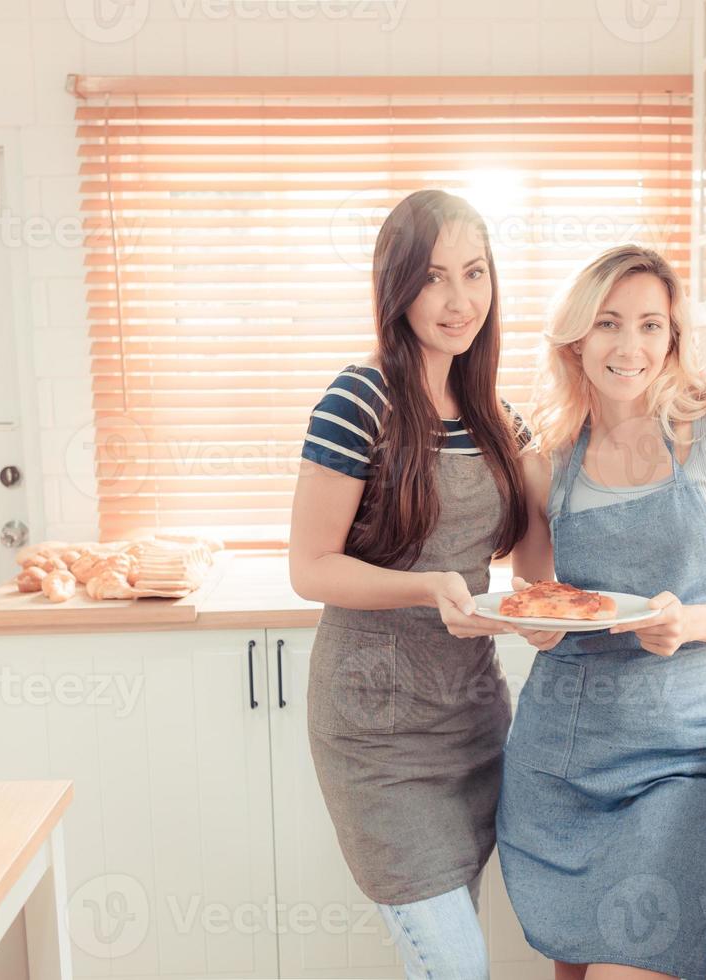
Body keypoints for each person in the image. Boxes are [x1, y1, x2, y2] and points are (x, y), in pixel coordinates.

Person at [497, 245, 706, 980]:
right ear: (575, 337)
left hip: (678, 762)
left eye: (651, 326)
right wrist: (531, 620)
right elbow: (537, 597)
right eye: (608, 324)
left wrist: (689, 621)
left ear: (674, 337)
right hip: (558, 759)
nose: (630, 347)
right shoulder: (547, 460)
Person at [288, 189, 529, 979]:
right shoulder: (358, 401)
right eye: (432, 278)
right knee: (457, 969)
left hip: (471, 719)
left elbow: (535, 564)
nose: (459, 301)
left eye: (474, 273)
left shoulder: (500, 417)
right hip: (377, 729)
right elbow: (310, 567)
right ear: (397, 287)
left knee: (454, 957)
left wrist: (695, 403)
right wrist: (429, 588)